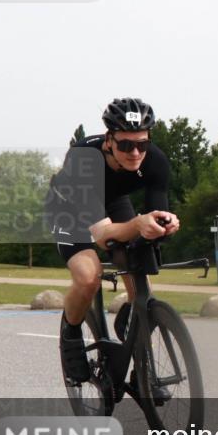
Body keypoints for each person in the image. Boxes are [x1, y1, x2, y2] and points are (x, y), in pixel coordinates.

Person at [47, 97, 180, 384]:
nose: (135, 152)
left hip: (113, 201)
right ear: (109, 140)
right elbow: (103, 236)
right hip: (70, 207)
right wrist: (137, 224)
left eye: (142, 144)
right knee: (88, 276)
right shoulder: (83, 158)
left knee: (140, 265)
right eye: (125, 145)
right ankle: (70, 337)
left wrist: (165, 224)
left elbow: (156, 212)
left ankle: (138, 351)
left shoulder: (156, 161)